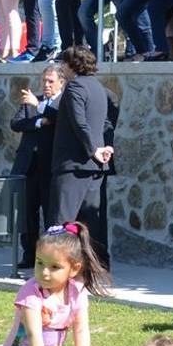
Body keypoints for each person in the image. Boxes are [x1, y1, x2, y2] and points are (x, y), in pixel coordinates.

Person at [50, 48, 115, 262]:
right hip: (95, 166)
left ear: (72, 65)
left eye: (64, 64)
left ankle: (55, 265)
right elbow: (104, 124)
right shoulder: (98, 88)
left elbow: (80, 123)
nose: (62, 68)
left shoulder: (74, 87)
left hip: (73, 165)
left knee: (61, 220)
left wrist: (93, 148)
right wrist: (103, 147)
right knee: (91, 223)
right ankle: (96, 267)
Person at [12, 67, 64, 268]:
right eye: (44, 81)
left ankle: (50, 256)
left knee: (51, 213)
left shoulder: (62, 103)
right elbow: (16, 123)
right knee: (27, 212)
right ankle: (29, 254)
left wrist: (40, 106)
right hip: (28, 166)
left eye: (51, 81)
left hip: (49, 167)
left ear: (61, 82)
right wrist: (39, 123)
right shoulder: (33, 101)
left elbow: (60, 121)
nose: (46, 85)